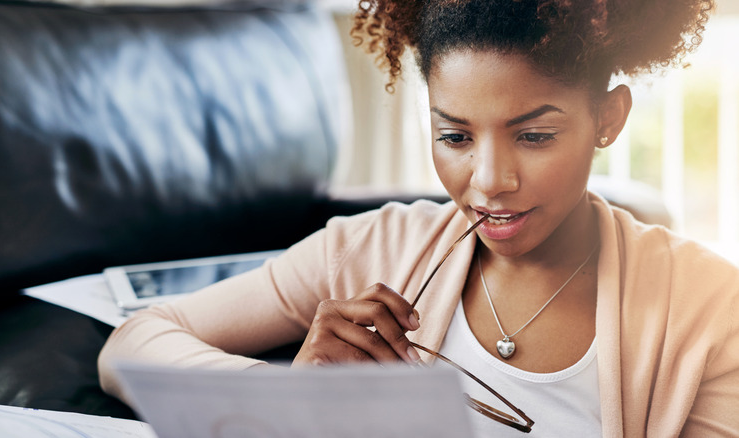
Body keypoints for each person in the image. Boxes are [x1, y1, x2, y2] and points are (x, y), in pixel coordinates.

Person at [98, 0, 739, 435]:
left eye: (534, 135)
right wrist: (289, 396)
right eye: (455, 137)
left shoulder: (708, 309)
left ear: (609, 119)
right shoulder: (370, 249)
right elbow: (131, 345)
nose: (489, 181)